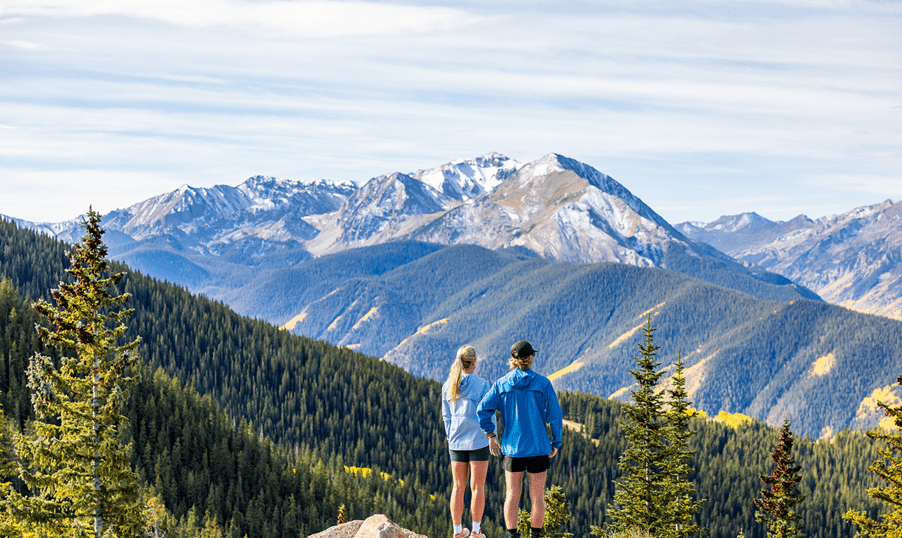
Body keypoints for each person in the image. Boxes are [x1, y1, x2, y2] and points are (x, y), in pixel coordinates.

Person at [477, 340, 563, 538]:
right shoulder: (543, 383)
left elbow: (482, 410)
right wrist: (555, 442)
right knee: (537, 497)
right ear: (531, 357)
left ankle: (512, 535)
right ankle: (535, 536)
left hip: (512, 448)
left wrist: (491, 434)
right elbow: (555, 415)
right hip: (539, 448)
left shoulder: (502, 383)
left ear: (514, 360)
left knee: (512, 495)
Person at [442, 345, 495, 538]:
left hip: (456, 442)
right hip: (478, 441)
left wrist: (451, 437)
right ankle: (475, 531)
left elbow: (446, 417)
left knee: (458, 486)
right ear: (474, 362)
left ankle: (457, 531)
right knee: (477, 487)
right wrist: (492, 436)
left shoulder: (448, 385)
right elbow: (488, 414)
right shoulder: (482, 385)